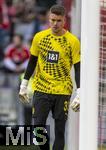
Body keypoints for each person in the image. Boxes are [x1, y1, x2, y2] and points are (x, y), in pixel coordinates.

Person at [19, 4, 80, 150]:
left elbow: (78, 68)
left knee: (59, 131)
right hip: (41, 88)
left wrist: (79, 92)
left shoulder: (72, 41)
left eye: (58, 20)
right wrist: (24, 85)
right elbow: (32, 62)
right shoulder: (39, 38)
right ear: (49, 18)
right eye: (52, 20)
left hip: (62, 90)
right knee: (38, 129)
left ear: (64, 20)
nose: (55, 24)